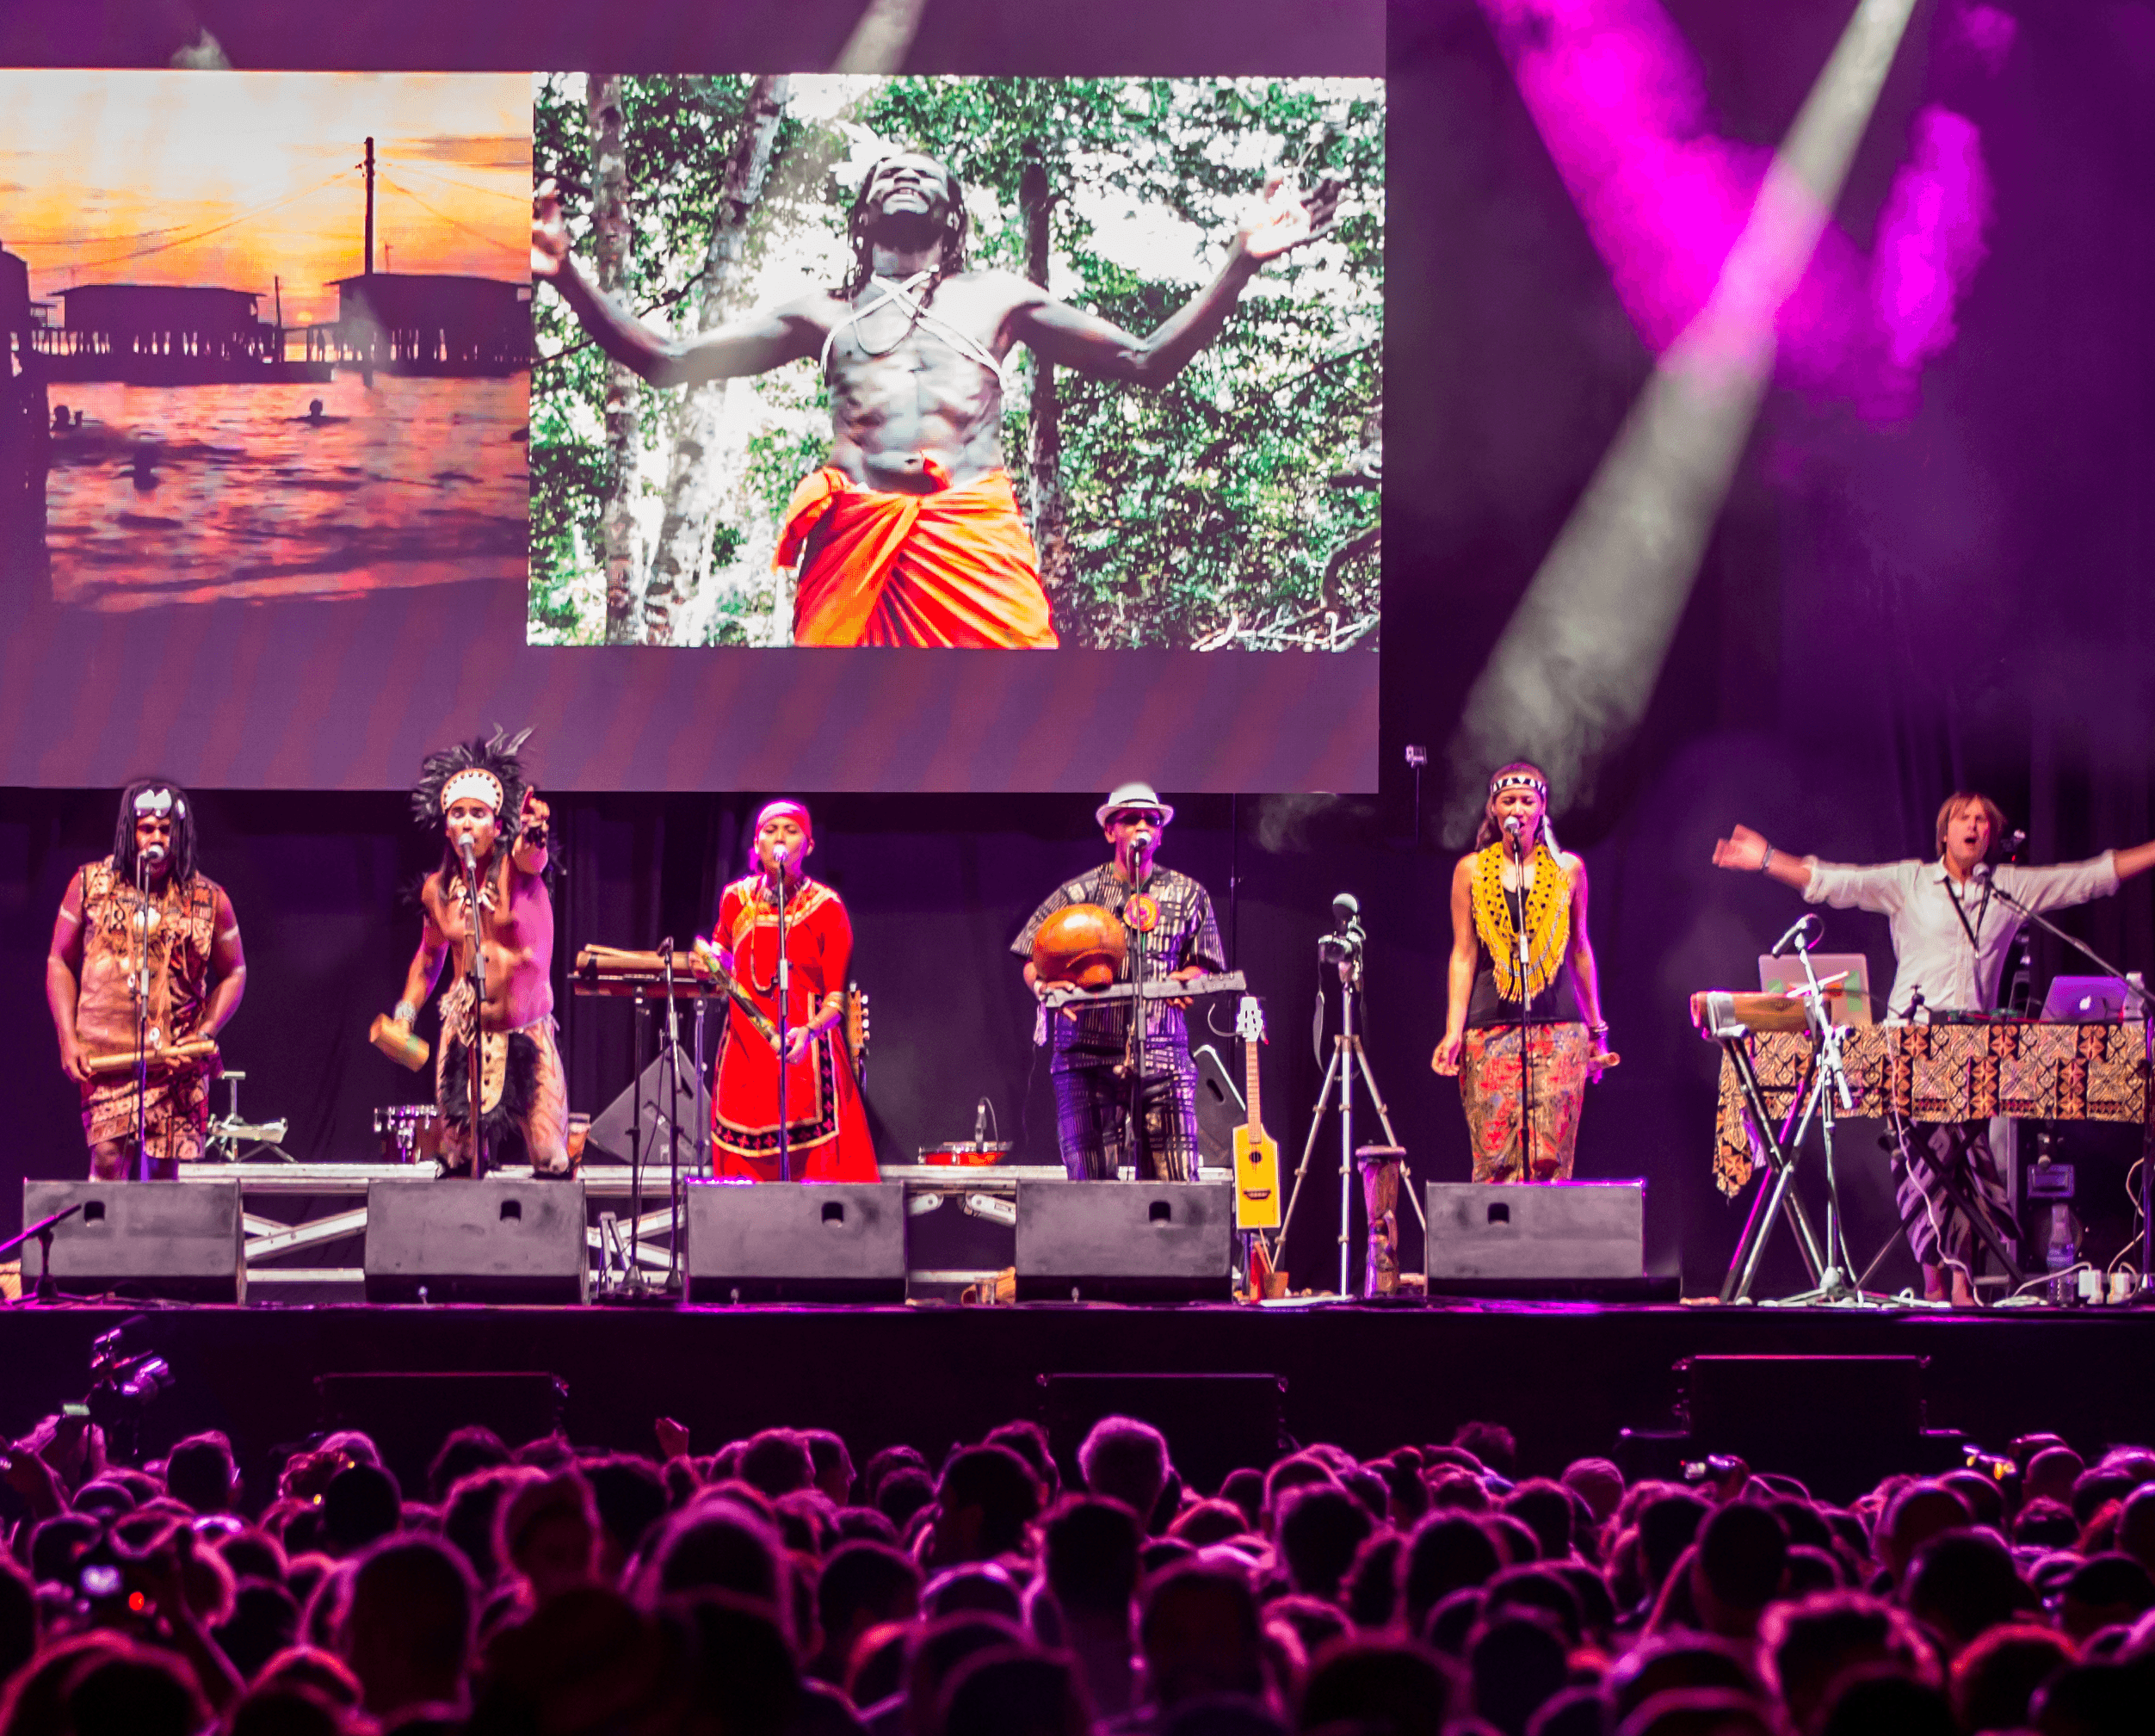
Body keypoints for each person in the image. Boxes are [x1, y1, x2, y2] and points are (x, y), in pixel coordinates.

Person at [531, 149, 1340, 646]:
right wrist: (566, 271)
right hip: (854, 549)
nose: (907, 176)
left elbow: (1144, 358)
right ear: (863, 216)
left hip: (972, 544)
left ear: (953, 218)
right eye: (890, 173)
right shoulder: (821, 312)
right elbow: (667, 360)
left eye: (927, 175)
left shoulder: (997, 298)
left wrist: (1239, 259)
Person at [1713, 794, 2155, 1303]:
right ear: (1945, 833)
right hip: (1909, 1048)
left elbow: (2091, 876)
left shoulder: (2009, 891)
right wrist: (1764, 857)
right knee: (1920, 1163)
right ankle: (1934, 1282)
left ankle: (1963, 1286)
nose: (1975, 825)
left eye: (1984, 820)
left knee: (1971, 1161)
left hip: (1976, 1054)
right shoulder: (1909, 882)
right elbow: (1828, 882)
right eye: (1965, 818)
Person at [1014, 783, 1226, 1182]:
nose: (1142, 826)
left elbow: (1203, 963)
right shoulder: (1078, 894)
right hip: (1086, 1061)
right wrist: (1045, 990)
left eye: (1152, 819)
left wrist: (1190, 979)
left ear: (1161, 832)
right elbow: (1032, 957)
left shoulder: (1189, 894)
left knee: (1175, 1189)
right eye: (1130, 819)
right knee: (1093, 1191)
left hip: (1164, 1059)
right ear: (1111, 830)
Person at [43, 781, 244, 1181]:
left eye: (165, 829)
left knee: (164, 1171)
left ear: (180, 833)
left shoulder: (209, 898)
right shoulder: (89, 886)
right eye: (146, 828)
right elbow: (58, 961)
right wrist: (68, 1038)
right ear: (128, 832)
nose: (156, 838)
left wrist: (205, 1032)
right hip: (108, 1057)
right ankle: (103, 1245)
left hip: (177, 1061)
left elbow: (235, 971)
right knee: (107, 1158)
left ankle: (157, 1244)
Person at [388, 730, 566, 1177]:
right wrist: (406, 1015)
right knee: (456, 1159)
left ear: (498, 825)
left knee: (549, 1156)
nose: (468, 823)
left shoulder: (518, 869)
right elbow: (429, 959)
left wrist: (535, 830)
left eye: (479, 814)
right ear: (447, 826)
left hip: (527, 1027)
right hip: (465, 1031)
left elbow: (534, 855)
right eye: (459, 814)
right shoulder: (436, 890)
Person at [1429, 762, 1616, 1183]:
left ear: (1541, 808)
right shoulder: (1471, 872)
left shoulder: (1569, 870)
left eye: (1527, 801)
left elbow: (1579, 949)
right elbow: (1464, 953)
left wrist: (1596, 1028)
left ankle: (1547, 1249)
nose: (1518, 809)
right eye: (1507, 800)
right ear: (1494, 810)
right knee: (1495, 1159)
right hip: (1489, 1031)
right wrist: (1453, 1030)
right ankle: (1496, 1247)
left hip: (1559, 1032)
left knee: (1550, 1159)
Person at [701, 800, 879, 1181]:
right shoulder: (735, 898)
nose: (779, 837)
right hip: (745, 1057)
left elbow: (836, 999)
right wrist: (710, 962)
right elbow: (722, 952)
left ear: (809, 846)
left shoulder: (826, 908)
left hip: (805, 1059)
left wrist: (810, 1031)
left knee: (817, 1182)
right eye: (770, 830)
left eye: (791, 830)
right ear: (756, 843)